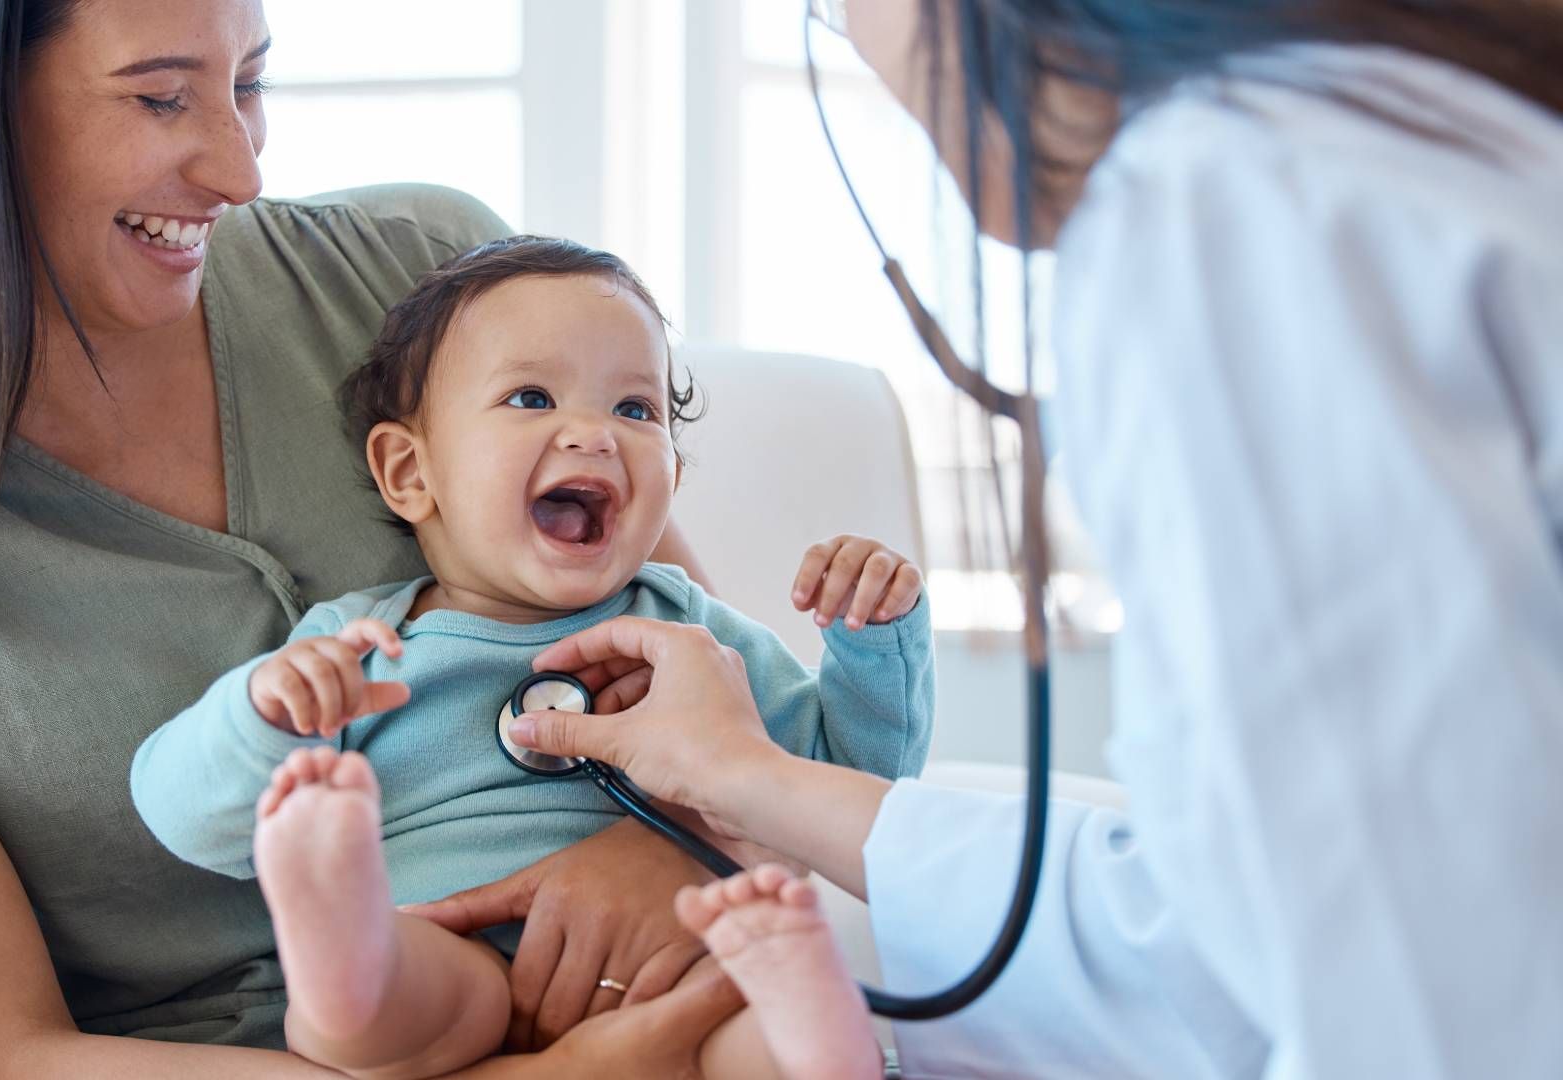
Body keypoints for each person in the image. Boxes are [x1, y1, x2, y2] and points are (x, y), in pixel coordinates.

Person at [0, 2, 754, 1076]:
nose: (241, 171)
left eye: (250, 84)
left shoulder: (429, 275)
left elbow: (719, 683)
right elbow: (5, 1054)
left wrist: (676, 849)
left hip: (686, 1010)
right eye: (164, 97)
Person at [496, 1, 1563, 1077]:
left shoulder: (1229, 204)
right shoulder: (1406, 146)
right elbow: (1239, 936)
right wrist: (749, 779)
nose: (853, 37)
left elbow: (1413, 996)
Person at [128, 235, 932, 1080]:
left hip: (681, 957)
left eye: (636, 410)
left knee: (748, 1036)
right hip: (451, 948)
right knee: (376, 1011)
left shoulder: (692, 635)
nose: (592, 434)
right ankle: (341, 935)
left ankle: (812, 1024)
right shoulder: (361, 649)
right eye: (531, 396)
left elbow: (845, 780)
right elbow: (184, 817)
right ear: (410, 471)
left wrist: (872, 641)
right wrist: (263, 713)